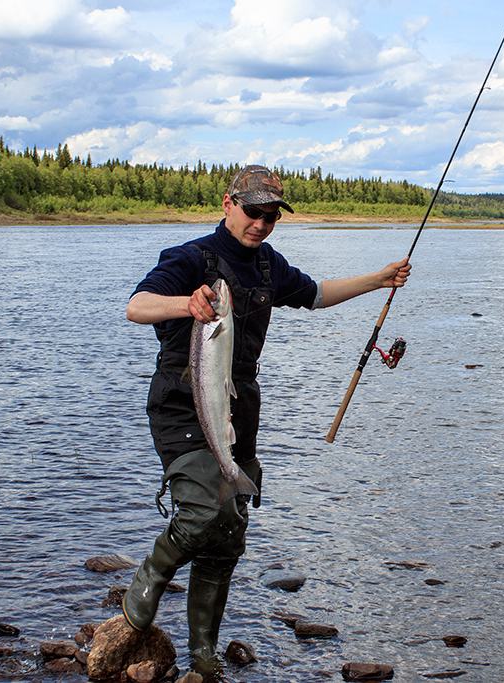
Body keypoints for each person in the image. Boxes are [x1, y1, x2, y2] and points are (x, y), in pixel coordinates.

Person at [123, 164, 411, 674]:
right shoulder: (189, 258)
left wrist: (380, 278)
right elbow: (137, 306)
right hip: (180, 406)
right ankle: (151, 575)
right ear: (227, 204)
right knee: (199, 514)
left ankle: (204, 652)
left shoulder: (267, 265)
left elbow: (316, 294)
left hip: (240, 408)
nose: (260, 223)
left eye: (271, 216)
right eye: (253, 211)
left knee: (229, 531)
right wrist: (185, 304)